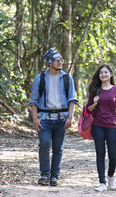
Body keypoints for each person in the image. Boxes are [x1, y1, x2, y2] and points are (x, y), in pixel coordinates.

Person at [28, 48, 78, 186]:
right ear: (50, 62)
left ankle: (54, 176)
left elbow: (72, 99)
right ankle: (44, 175)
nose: (60, 62)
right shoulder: (40, 78)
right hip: (44, 118)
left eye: (61, 59)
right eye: (57, 60)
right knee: (44, 145)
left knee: (58, 148)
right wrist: (35, 118)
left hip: (62, 118)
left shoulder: (67, 77)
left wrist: (70, 117)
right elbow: (34, 100)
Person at [86, 64, 116, 192]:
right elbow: (88, 109)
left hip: (112, 126)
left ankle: (111, 175)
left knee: (114, 156)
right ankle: (102, 182)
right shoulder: (95, 90)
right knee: (100, 154)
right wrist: (95, 102)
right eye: (101, 73)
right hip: (97, 125)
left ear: (111, 74)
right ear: (99, 76)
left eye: (105, 72)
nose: (103, 74)